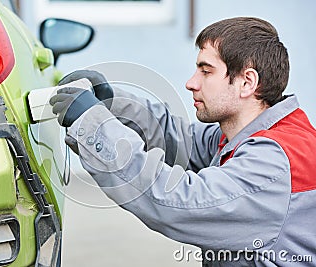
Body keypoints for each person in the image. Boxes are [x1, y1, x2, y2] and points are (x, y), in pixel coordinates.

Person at [49, 17, 316, 266]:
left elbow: (175, 201)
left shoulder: (272, 163)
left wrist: (92, 125)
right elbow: (179, 141)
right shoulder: (248, 134)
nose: (191, 83)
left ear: (247, 82)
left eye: (206, 71)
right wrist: (112, 105)